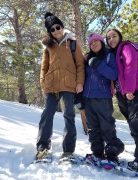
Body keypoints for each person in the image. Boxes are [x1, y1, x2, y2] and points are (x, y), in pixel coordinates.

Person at [36, 12, 84, 160]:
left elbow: (80, 64)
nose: (56, 31)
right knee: (47, 114)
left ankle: (68, 151)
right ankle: (42, 147)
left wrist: (80, 82)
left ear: (62, 27)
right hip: (51, 86)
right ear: (49, 32)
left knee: (68, 115)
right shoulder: (48, 47)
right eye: (53, 29)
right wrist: (43, 82)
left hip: (68, 86)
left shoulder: (73, 43)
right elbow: (43, 67)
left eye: (58, 27)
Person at [106, 29, 138, 172]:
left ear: (120, 37)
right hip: (123, 94)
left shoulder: (127, 47)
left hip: (136, 90)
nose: (111, 40)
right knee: (134, 125)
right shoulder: (113, 54)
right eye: (108, 38)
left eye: (114, 36)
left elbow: (131, 67)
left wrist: (129, 89)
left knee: (137, 123)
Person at [83, 33, 124, 165]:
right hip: (88, 98)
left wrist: (98, 64)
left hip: (103, 98)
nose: (93, 44)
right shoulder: (87, 57)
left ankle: (112, 154)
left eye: (96, 41)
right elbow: (82, 77)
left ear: (101, 42)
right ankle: (97, 153)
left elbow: (113, 74)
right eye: (91, 43)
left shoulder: (108, 56)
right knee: (93, 128)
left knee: (107, 126)